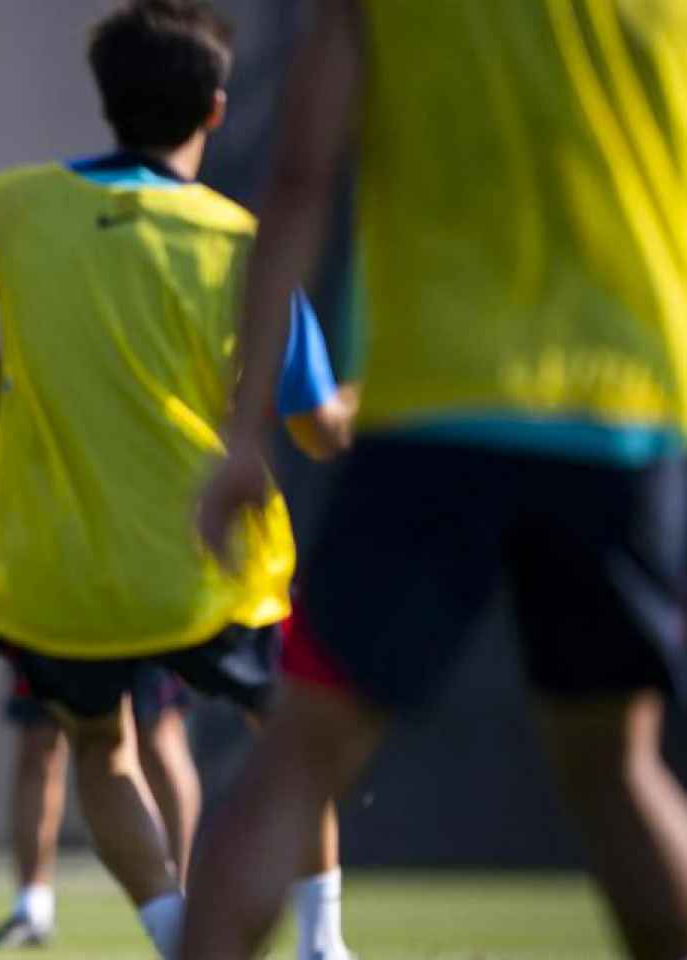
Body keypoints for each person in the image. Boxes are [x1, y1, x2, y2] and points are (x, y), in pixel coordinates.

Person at [188, 2, 687, 957]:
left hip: (436, 412)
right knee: (618, 772)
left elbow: (299, 177)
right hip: (625, 420)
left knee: (295, 763)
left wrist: (246, 435)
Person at [0, 3, 354, 957]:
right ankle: (322, 945)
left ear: (106, 101)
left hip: (65, 570)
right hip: (208, 561)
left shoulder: (12, 205)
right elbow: (319, 429)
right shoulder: (239, 240)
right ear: (216, 110)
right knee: (290, 745)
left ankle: (178, 934)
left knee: (101, 748)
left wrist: (13, 367)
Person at [0, 393, 202, 950]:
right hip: (49, 584)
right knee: (45, 738)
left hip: (138, 575)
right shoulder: (20, 373)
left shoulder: (146, 357)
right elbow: (0, 479)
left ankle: (185, 897)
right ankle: (34, 905)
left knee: (157, 734)